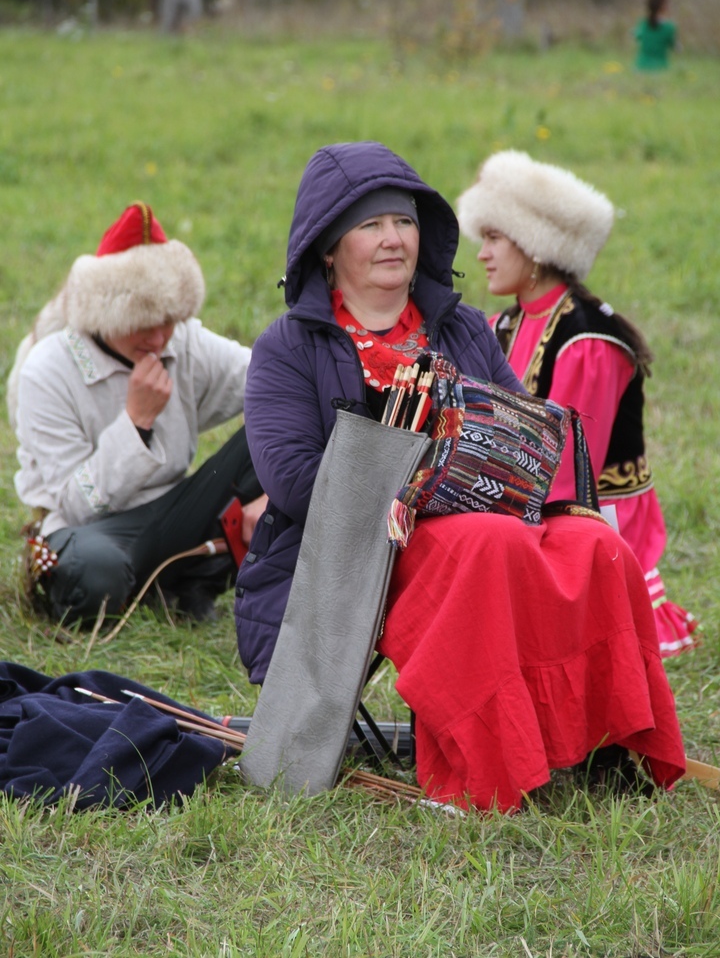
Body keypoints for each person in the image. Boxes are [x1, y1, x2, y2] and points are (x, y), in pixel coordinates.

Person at [234, 140, 686, 814]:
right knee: (485, 543)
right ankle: (487, 766)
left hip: (489, 514)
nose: (394, 239)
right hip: (352, 549)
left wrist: (512, 468)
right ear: (328, 249)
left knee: (596, 545)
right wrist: (424, 477)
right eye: (370, 225)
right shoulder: (288, 347)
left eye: (406, 221)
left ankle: (601, 741)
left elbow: (523, 429)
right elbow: (295, 482)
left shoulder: (464, 327)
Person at [456, 149, 699, 659]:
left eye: (495, 237)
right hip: (526, 498)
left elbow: (567, 473)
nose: (481, 253)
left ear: (537, 247)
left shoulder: (586, 340)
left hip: (591, 521)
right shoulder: (509, 322)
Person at [9, 201, 266, 625]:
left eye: (168, 318)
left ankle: (183, 582)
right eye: (142, 320)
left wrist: (274, 493)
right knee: (91, 571)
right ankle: (165, 587)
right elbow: (75, 505)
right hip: (90, 531)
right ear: (105, 312)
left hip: (176, 513)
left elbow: (270, 380)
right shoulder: (48, 369)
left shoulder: (181, 341)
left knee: (279, 426)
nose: (159, 336)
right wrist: (136, 422)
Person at [634, 0, 676, 71]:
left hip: (640, 67)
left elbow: (636, 36)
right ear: (663, 7)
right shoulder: (669, 27)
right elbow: (674, 46)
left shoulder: (642, 24)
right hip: (660, 67)